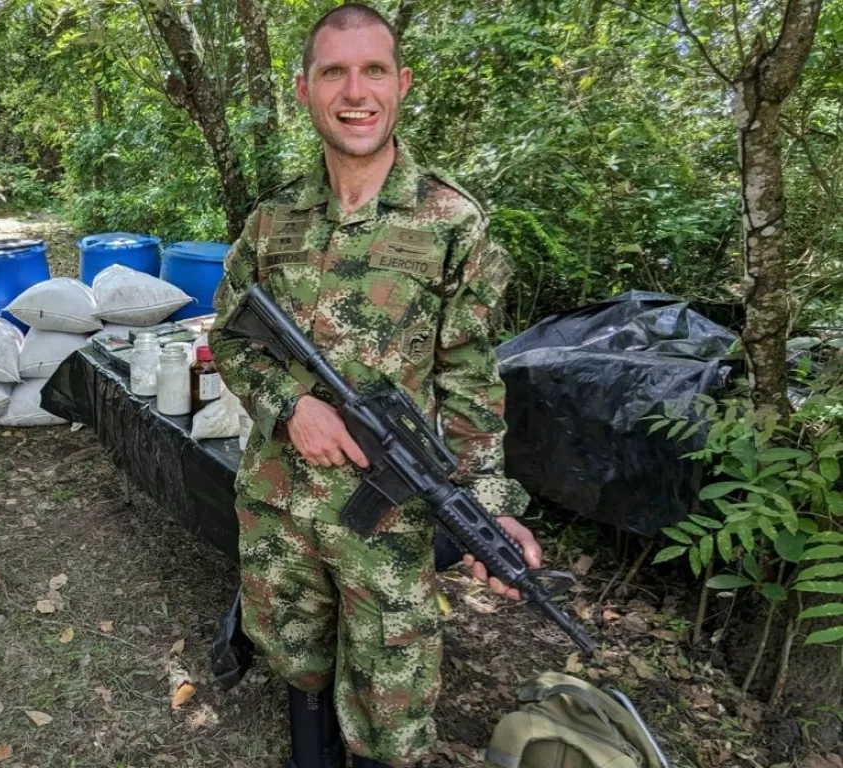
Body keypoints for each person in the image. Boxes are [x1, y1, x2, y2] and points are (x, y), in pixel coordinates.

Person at [208, 5, 544, 767]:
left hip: (385, 520)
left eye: (374, 70)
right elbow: (228, 336)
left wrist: (488, 514)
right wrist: (290, 407)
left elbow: (469, 378)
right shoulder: (271, 222)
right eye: (334, 71)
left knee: (392, 707)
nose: (354, 91)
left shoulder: (454, 222)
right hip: (277, 502)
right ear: (304, 90)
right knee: (296, 662)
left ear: (402, 85)